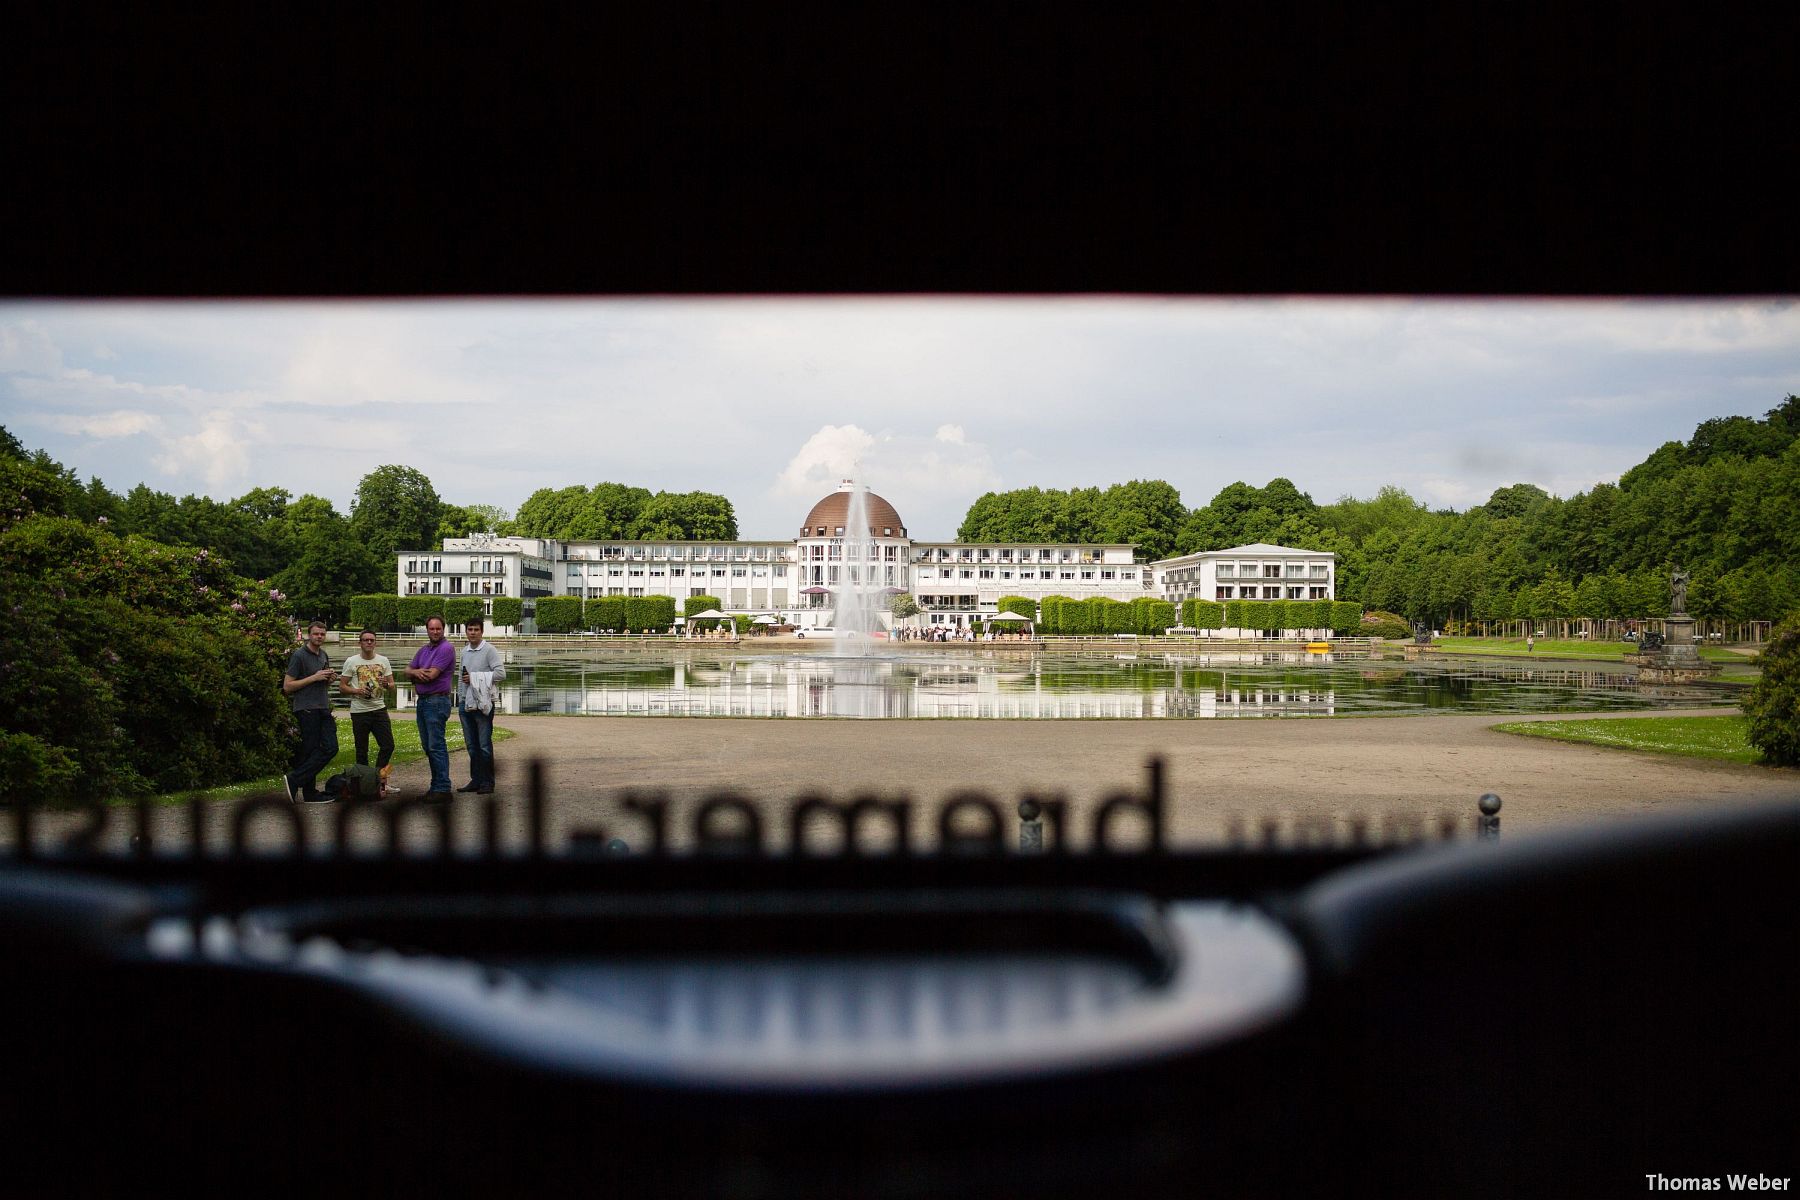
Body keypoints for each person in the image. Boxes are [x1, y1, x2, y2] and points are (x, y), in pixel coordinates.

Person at [282, 620, 339, 804]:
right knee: (310, 750)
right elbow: (288, 686)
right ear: (309, 634)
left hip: (322, 706)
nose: (319, 637)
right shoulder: (299, 656)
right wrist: (314, 677)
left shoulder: (323, 655)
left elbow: (322, 681)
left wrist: (330, 679)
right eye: (316, 634)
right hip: (306, 707)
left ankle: (296, 780)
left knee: (330, 747)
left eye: (322, 634)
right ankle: (309, 791)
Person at [339, 628, 398, 794]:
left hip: (379, 709)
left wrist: (386, 684)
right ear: (360, 642)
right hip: (359, 711)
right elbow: (342, 686)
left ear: (376, 642)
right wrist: (357, 691)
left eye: (372, 640)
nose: (369, 642)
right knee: (361, 750)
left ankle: (378, 780)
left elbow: (392, 686)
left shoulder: (383, 660)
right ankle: (363, 787)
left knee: (388, 745)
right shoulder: (351, 661)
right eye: (366, 640)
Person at [405, 615, 456, 801]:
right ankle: (437, 786)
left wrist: (414, 674)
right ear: (427, 630)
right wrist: (416, 672)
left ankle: (442, 788)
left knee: (436, 746)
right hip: (424, 701)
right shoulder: (424, 650)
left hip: (436, 702)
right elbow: (406, 670)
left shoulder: (446, 648)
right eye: (432, 629)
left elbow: (432, 675)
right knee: (428, 746)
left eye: (438, 629)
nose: (435, 632)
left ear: (444, 629)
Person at [456, 617, 506, 795]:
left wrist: (476, 677)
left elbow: (501, 673)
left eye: (476, 629)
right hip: (466, 703)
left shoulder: (489, 650)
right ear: (466, 631)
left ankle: (488, 782)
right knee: (471, 745)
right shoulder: (464, 652)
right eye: (470, 629)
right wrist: (460, 700)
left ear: (482, 631)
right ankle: (476, 779)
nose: (473, 632)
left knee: (484, 745)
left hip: (483, 704)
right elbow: (461, 678)